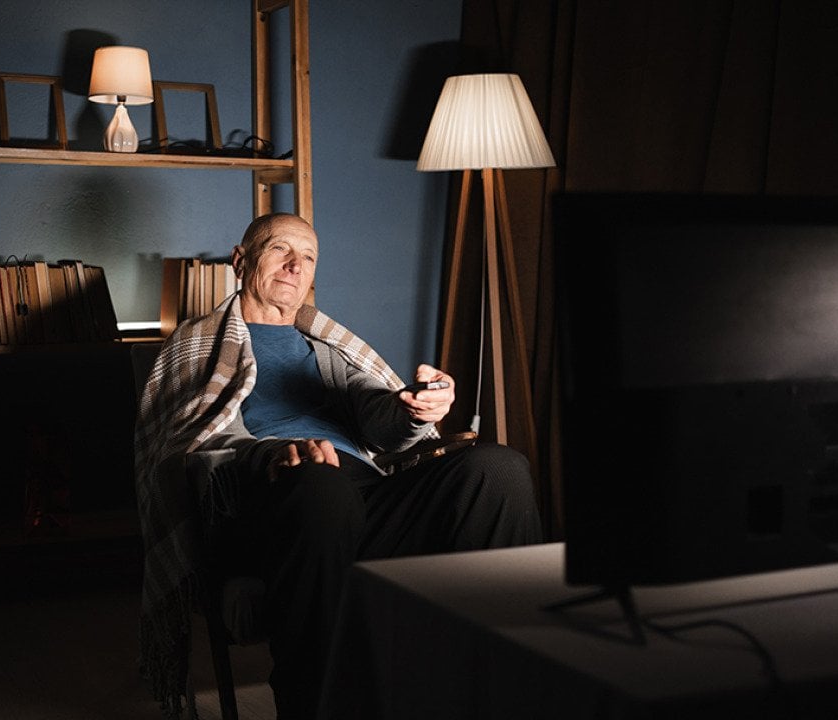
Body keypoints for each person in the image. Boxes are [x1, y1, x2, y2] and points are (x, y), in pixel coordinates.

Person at [134, 213, 543, 719]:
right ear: (241, 261)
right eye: (280, 250)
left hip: (365, 495)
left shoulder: (326, 346)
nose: (294, 266)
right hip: (268, 499)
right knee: (319, 487)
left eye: (307, 258)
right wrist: (270, 455)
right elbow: (190, 442)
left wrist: (410, 407)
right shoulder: (198, 344)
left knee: (499, 468)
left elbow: (377, 417)